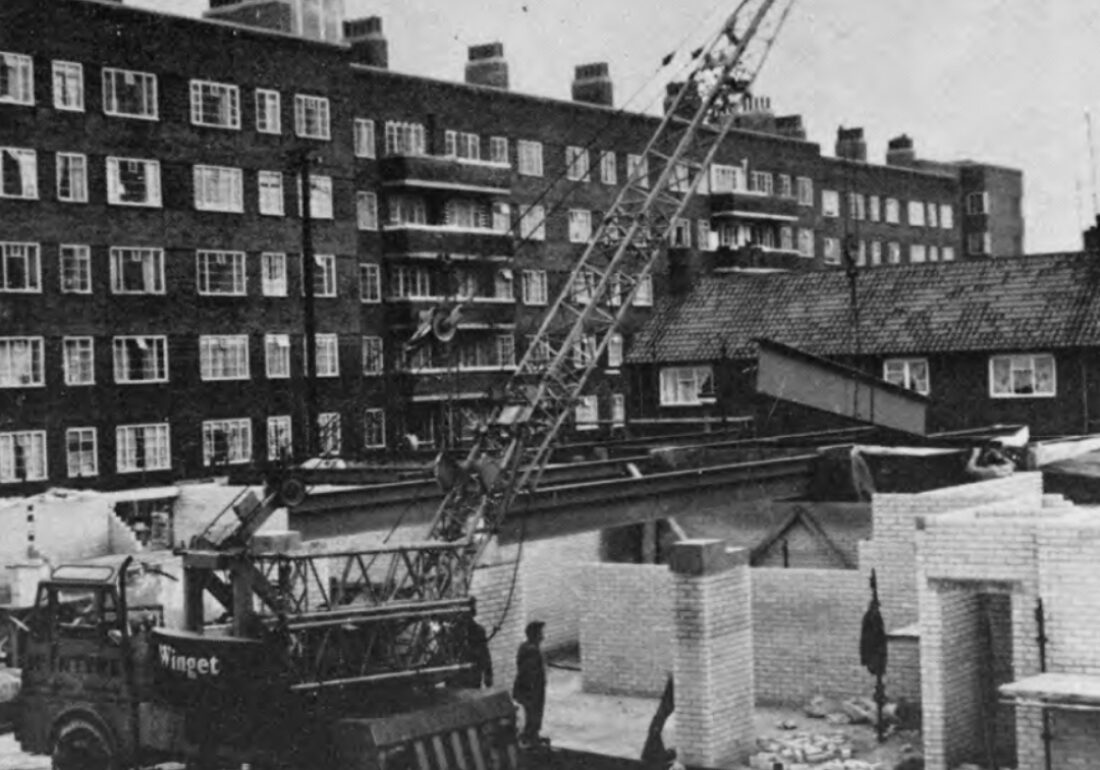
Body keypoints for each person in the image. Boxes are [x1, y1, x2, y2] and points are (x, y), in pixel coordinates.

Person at [512, 620, 548, 747]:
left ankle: (532, 736)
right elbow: (530, 673)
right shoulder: (532, 650)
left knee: (532, 714)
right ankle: (531, 738)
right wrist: (534, 692)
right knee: (533, 714)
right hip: (531, 691)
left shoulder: (526, 647)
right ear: (535, 634)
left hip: (529, 690)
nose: (543, 636)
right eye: (541, 633)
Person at [457, 599, 493, 689]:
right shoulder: (454, 631)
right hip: (457, 676)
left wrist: (488, 675)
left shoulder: (478, 630)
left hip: (473, 675)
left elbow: (485, 654)